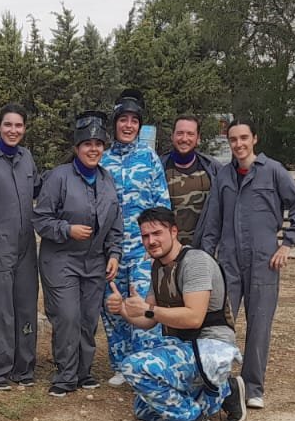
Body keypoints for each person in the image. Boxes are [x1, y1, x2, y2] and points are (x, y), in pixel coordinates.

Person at [197, 119, 295, 410]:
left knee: (260, 323)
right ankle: (217, 382)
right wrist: (206, 257)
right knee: (220, 322)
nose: (239, 144)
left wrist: (288, 244)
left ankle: (253, 387)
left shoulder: (272, 171)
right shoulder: (223, 176)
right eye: (233, 139)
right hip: (229, 261)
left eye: (244, 138)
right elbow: (212, 220)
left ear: (255, 139)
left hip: (264, 260)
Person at [107, 207, 246, 421]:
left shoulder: (195, 262)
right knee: (145, 411)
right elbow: (148, 320)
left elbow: (193, 318)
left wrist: (148, 310)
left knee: (132, 366)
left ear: (174, 232)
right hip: (185, 346)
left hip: (212, 345)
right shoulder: (158, 267)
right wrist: (124, 311)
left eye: (157, 233)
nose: (151, 241)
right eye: (145, 236)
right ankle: (224, 390)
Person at [33, 113, 121, 397]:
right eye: (87, 144)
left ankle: (84, 372)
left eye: (98, 144)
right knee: (68, 316)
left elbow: (115, 224)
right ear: (76, 148)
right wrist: (67, 229)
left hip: (94, 261)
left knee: (87, 319)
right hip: (61, 259)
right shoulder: (59, 177)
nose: (93, 149)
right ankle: (65, 375)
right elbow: (41, 219)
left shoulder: (108, 181)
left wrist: (114, 254)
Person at [100, 90, 173, 385]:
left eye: (134, 121)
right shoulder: (102, 159)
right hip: (112, 251)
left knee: (143, 306)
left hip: (144, 250)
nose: (128, 126)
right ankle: (121, 365)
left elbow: (163, 204)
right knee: (114, 307)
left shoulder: (149, 158)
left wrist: (158, 246)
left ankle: (142, 365)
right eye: (123, 120)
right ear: (115, 123)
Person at [0, 103, 39, 390]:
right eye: (8, 125)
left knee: (26, 309)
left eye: (18, 125)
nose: (13, 130)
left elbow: (38, 191)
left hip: (26, 247)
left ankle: (23, 368)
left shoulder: (27, 158)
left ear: (24, 129)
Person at [161, 114, 219, 247]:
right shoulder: (158, 168)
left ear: (198, 139)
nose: (184, 138)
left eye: (190, 134)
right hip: (167, 250)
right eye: (180, 133)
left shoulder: (213, 169)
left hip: (203, 250)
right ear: (172, 136)